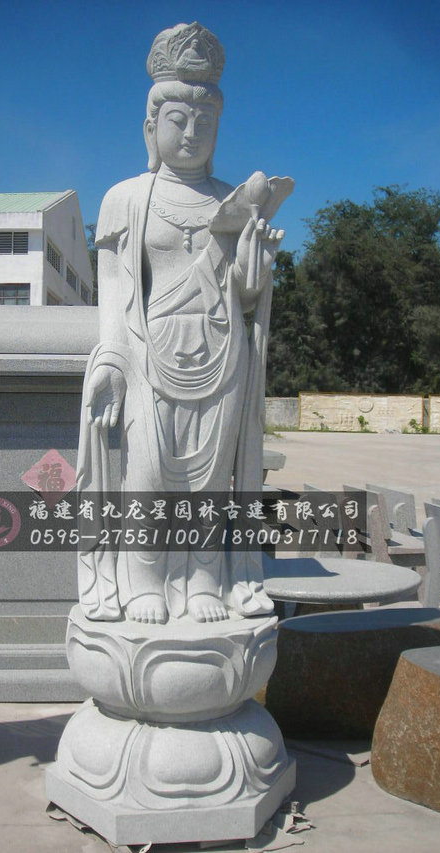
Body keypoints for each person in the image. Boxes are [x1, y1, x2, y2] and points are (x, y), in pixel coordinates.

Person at [77, 22, 288, 624]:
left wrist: (255, 266)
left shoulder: (233, 199)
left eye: (205, 122)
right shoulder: (125, 198)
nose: (192, 133)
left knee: (210, 482)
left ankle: (201, 582)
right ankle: (143, 581)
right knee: (147, 474)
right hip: (150, 353)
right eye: (178, 120)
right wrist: (111, 360)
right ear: (151, 127)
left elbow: (243, 295)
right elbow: (115, 291)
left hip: (223, 354)